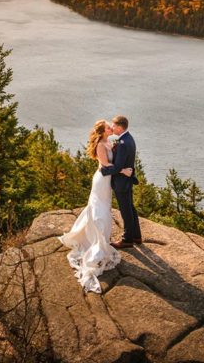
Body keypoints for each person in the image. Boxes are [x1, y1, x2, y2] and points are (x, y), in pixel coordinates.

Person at [58, 119, 133, 293]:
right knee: (100, 211)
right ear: (103, 131)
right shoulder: (100, 144)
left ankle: (98, 238)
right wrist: (123, 170)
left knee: (103, 208)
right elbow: (106, 166)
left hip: (107, 182)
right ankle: (97, 241)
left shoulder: (109, 141)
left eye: (111, 126)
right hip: (101, 181)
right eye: (108, 127)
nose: (111, 128)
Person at [101, 115, 142, 249]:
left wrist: (103, 171)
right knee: (130, 208)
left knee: (126, 211)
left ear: (119, 127)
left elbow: (118, 167)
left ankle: (127, 239)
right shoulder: (128, 138)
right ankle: (136, 236)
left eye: (113, 125)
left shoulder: (123, 143)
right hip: (127, 181)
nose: (112, 128)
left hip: (121, 183)